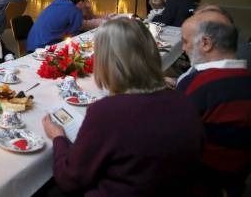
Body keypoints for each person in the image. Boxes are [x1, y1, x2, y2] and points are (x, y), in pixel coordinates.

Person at [41, 18, 204, 196]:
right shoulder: (184, 101)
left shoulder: (108, 112)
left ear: (106, 60)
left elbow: (69, 179)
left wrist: (58, 137)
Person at [176, 11, 251, 195]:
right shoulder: (245, 79)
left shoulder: (199, 84)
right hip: (236, 180)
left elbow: (171, 140)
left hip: (199, 184)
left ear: (206, 43)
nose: (183, 49)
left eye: (185, 41)